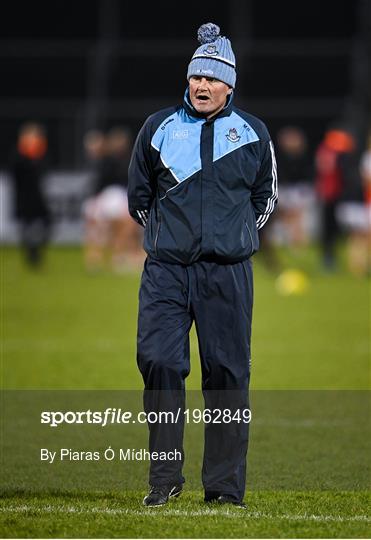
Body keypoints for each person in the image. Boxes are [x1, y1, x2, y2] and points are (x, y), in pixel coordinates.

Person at [128, 23, 278, 508]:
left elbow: (264, 197)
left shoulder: (253, 133)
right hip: (166, 271)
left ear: (229, 85)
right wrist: (167, 239)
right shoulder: (157, 128)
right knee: (159, 361)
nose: (203, 86)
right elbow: (139, 197)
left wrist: (232, 237)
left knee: (228, 377)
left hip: (227, 273)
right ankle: (165, 478)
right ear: (188, 80)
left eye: (213, 79)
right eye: (197, 77)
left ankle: (224, 489)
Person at [11, 122, 52, 267]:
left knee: (47, 224)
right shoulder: (20, 157)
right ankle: (31, 256)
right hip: (24, 199)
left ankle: (36, 253)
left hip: (38, 198)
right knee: (27, 228)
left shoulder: (39, 157)